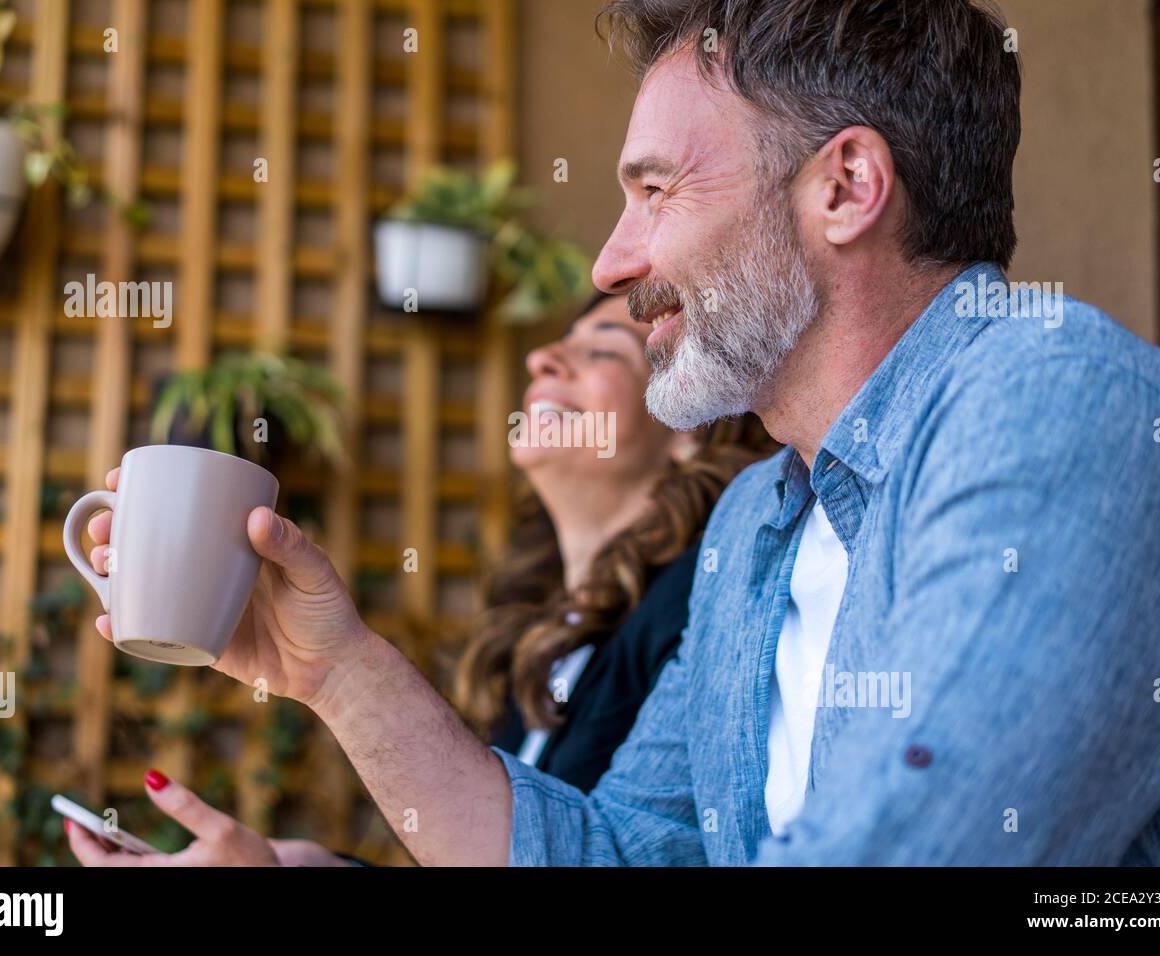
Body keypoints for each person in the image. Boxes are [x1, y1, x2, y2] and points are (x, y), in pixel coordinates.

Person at [72, 0, 1160, 867]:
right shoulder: (756, 523)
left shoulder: (1055, 402)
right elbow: (615, 853)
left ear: (846, 186)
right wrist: (335, 668)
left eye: (655, 191)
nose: (611, 263)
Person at [65, 293, 774, 867]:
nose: (540, 357)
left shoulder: (705, 597)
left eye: (599, 352)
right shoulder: (539, 633)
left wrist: (338, 674)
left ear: (691, 423)